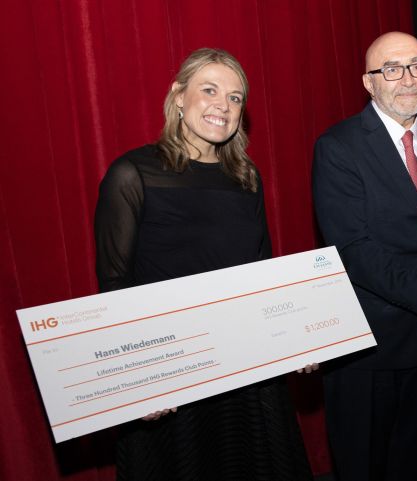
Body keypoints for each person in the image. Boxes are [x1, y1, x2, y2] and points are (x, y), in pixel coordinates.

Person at [94, 48, 313, 481]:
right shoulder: (132, 173)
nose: (223, 106)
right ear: (178, 97)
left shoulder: (246, 177)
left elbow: (262, 273)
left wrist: (298, 339)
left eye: (235, 98)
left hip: (247, 374)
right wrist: (141, 379)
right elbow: (114, 287)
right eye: (209, 90)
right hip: (172, 377)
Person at [312, 31, 417, 481]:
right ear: (369, 83)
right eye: (392, 69)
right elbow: (354, 252)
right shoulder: (339, 147)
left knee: (415, 462)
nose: (407, 79)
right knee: (364, 466)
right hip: (369, 347)